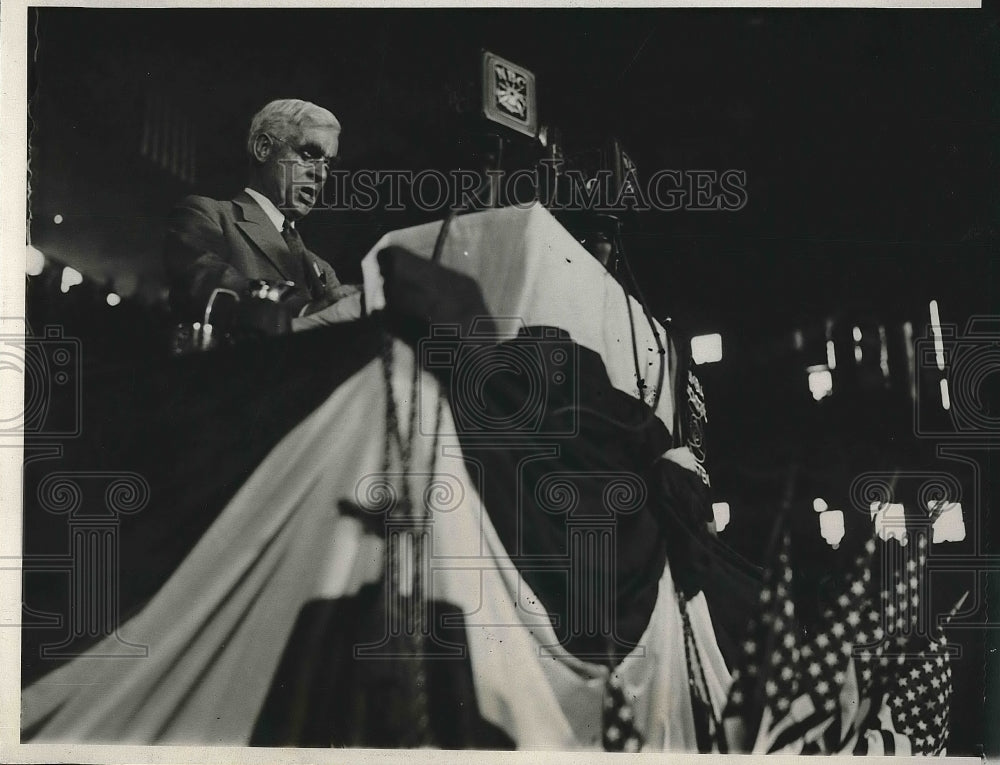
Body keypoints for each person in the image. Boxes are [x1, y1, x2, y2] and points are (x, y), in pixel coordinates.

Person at [164, 99, 361, 331]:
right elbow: (203, 284)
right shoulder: (206, 214)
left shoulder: (322, 269)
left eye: (328, 164)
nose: (321, 174)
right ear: (263, 149)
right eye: (309, 154)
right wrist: (304, 311)